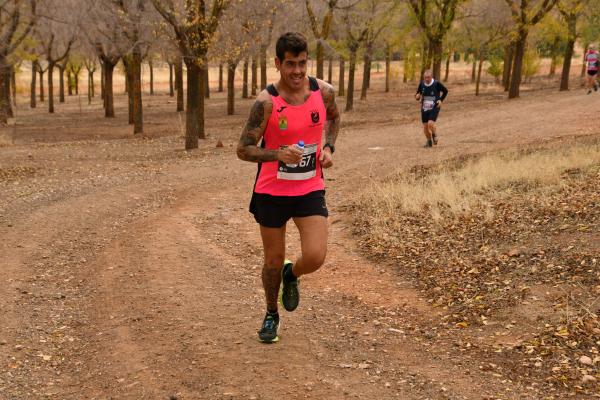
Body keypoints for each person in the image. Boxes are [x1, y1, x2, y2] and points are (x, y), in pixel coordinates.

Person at [237, 32, 340, 343]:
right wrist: (276, 154)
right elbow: (243, 149)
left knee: (315, 255)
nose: (297, 71)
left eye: (303, 64)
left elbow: (334, 119)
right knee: (272, 258)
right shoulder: (266, 102)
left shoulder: (324, 92)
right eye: (291, 64)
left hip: (309, 187)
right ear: (278, 64)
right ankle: (271, 314)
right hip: (272, 191)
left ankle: (291, 274)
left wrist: (329, 147)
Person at [415, 70, 448, 148]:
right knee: (425, 127)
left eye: (428, 77)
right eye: (425, 77)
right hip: (424, 108)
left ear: (431, 77)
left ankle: (434, 134)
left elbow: (445, 91)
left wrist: (440, 100)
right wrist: (417, 96)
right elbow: (418, 93)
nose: (427, 79)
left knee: (430, 123)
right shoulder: (422, 84)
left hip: (435, 106)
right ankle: (429, 142)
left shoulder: (436, 83)